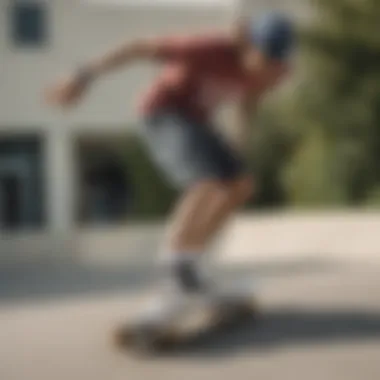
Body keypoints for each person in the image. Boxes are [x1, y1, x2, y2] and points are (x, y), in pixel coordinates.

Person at [46, 12, 295, 319]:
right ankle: (173, 274)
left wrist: (240, 143)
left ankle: (194, 263)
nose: (267, 69)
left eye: (275, 63)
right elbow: (138, 48)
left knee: (241, 184)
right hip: (162, 112)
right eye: (263, 59)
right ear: (247, 45)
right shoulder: (205, 48)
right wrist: (83, 76)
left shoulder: (275, 73)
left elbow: (249, 101)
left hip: (198, 122)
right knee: (206, 182)